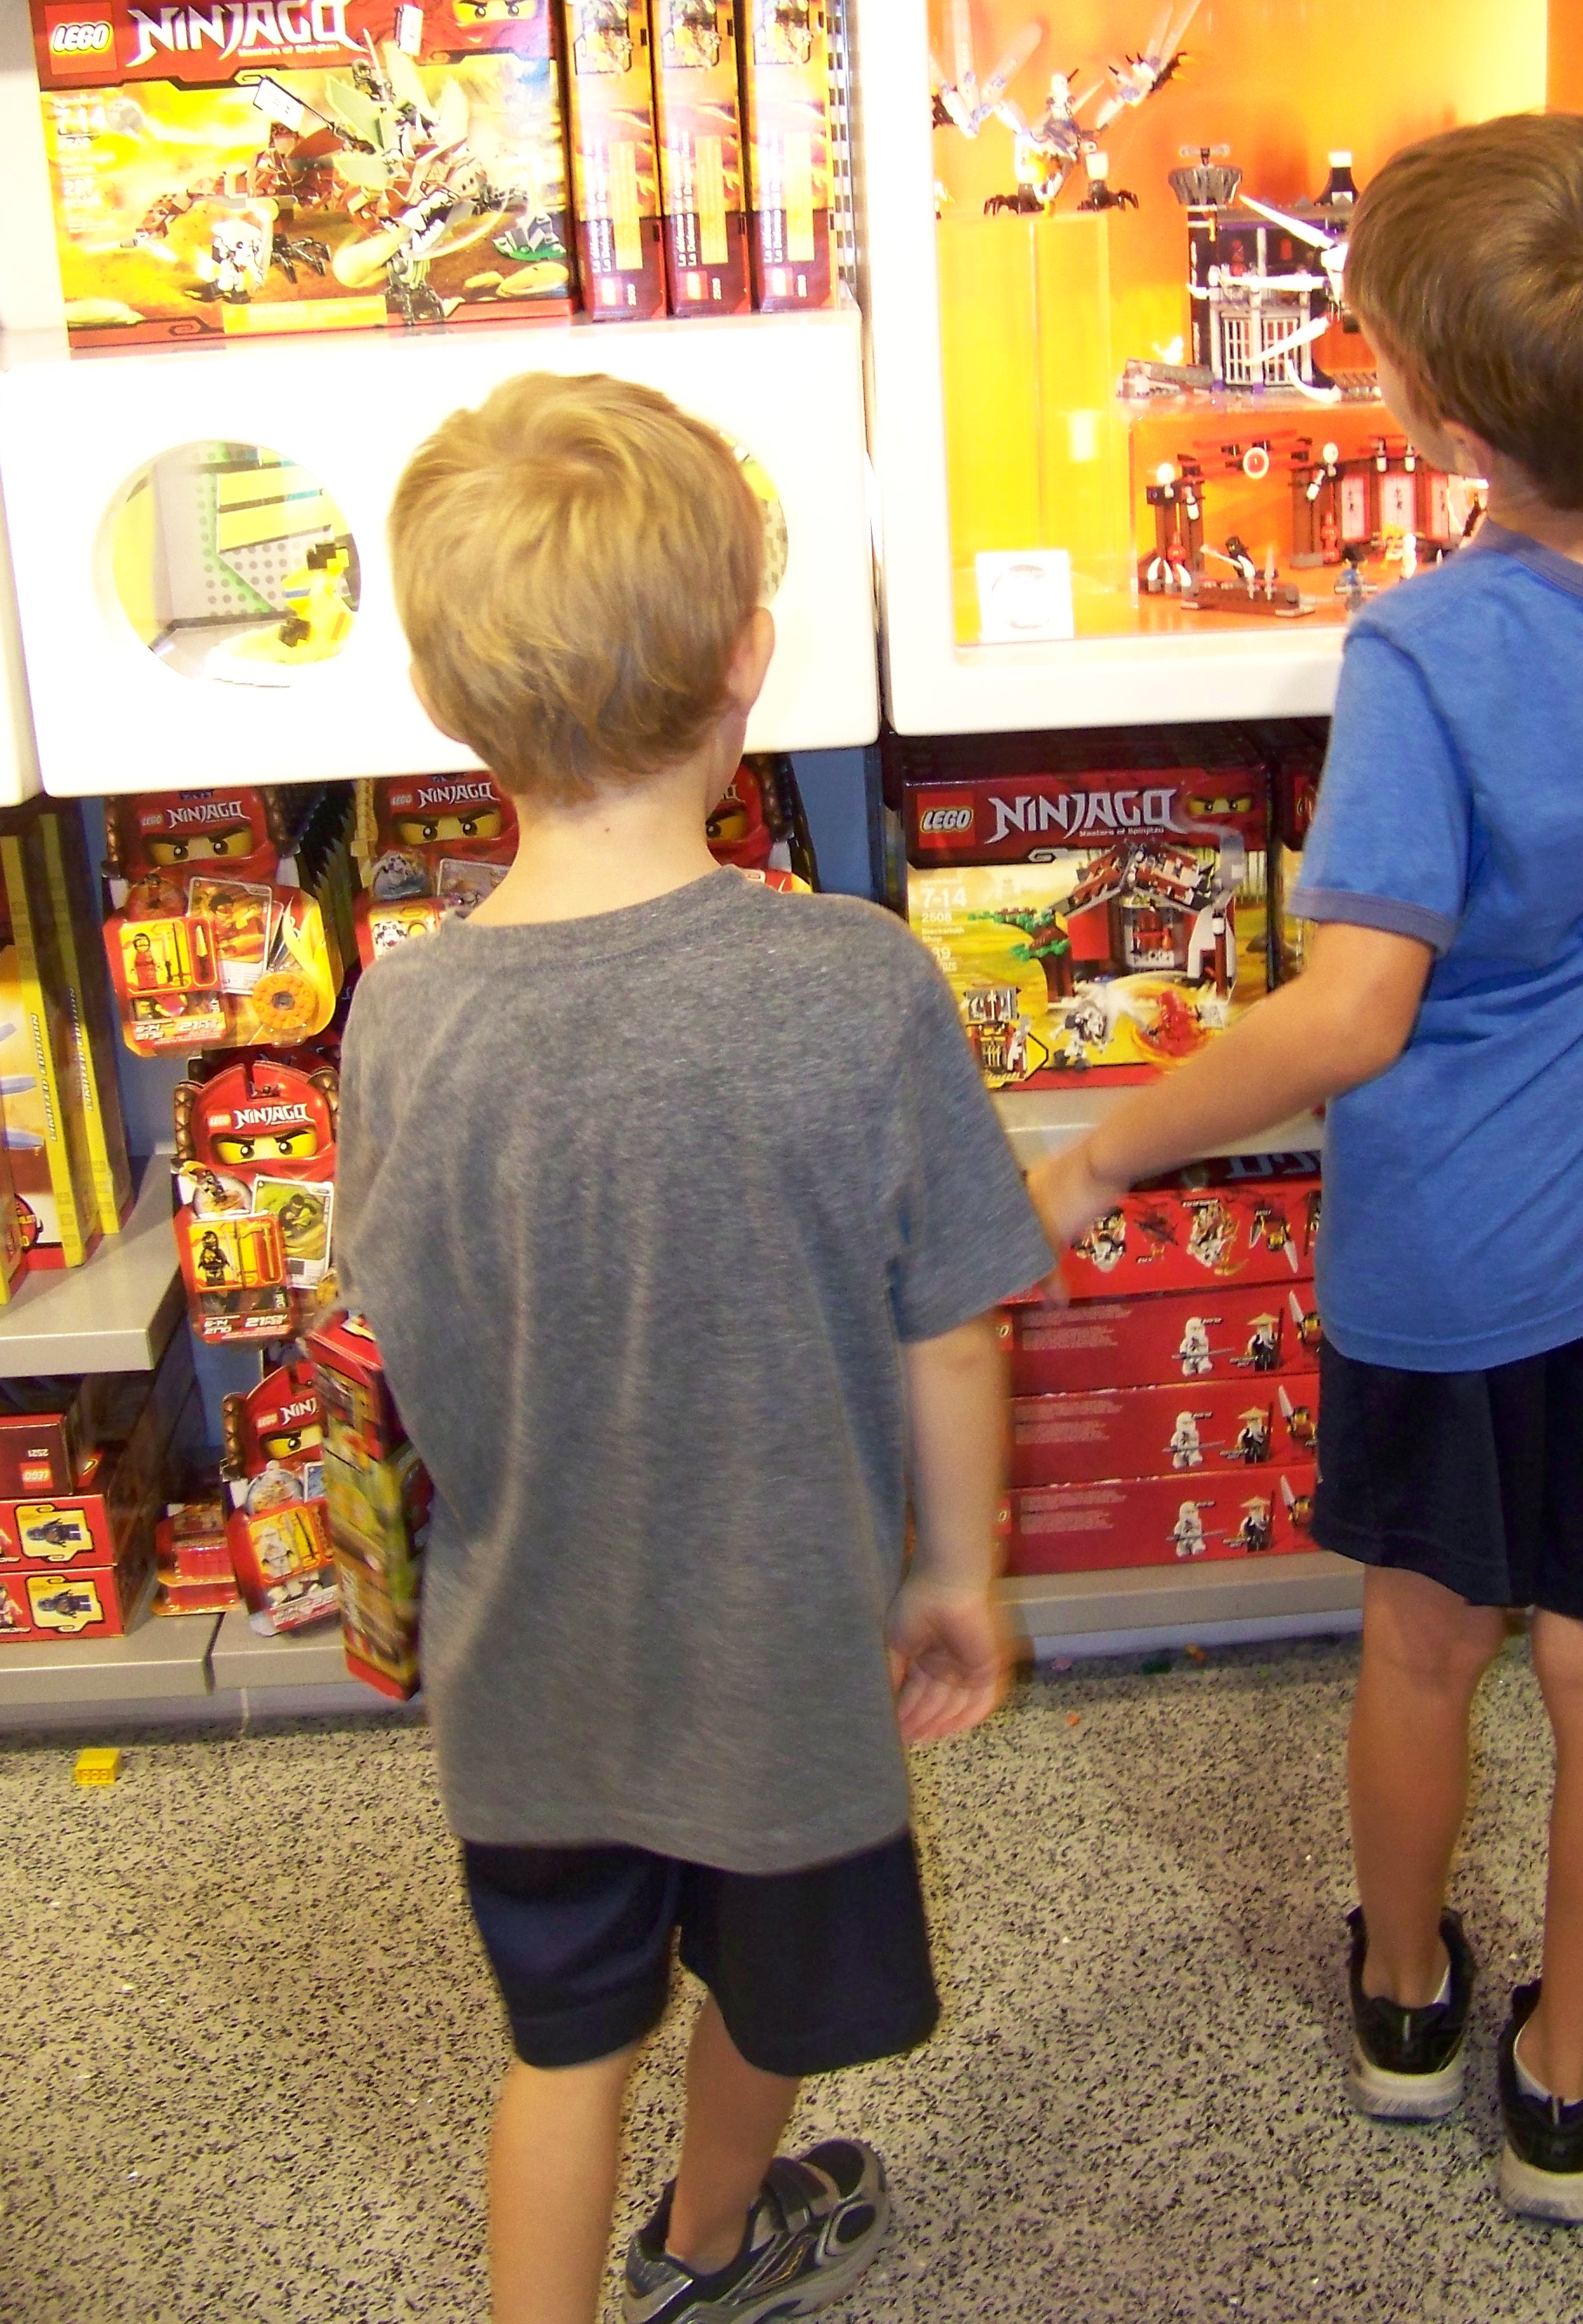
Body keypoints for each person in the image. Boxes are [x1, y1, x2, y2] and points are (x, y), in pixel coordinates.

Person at [1029, 94, 1583, 2222]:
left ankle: (1407, 1998)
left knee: (1425, 1640)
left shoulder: (1429, 653)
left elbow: (1353, 1012)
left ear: (1437, 419)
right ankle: (1568, 2073)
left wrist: (1098, 1152)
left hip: (1441, 1262)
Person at [337, 372, 1051, 2324]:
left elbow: (400, 1307)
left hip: (529, 1676)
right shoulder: (859, 985)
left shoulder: (401, 1020)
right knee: (773, 1989)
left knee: (564, 2048)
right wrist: (958, 1576)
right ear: (751, 658)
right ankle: (713, 2246)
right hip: (784, 1665)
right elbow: (952, 1330)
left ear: (441, 702)